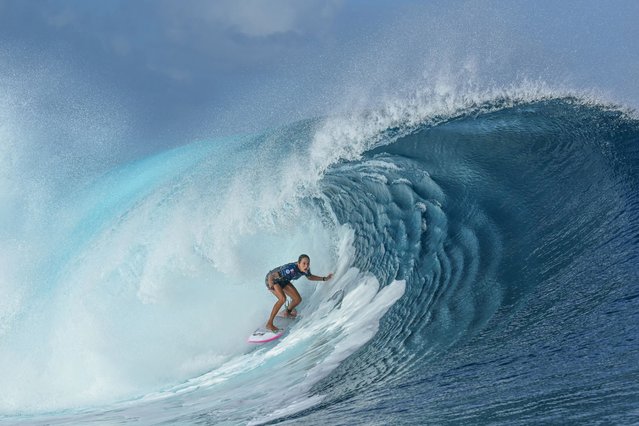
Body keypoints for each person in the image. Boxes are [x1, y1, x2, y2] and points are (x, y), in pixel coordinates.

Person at [264, 254, 333, 332]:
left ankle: (287, 312)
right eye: (304, 263)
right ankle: (269, 324)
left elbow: (310, 277)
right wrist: (270, 284)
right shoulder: (290, 269)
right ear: (298, 263)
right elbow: (271, 275)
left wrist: (324, 278)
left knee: (297, 299)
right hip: (273, 280)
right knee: (282, 299)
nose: (306, 265)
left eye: (308, 263)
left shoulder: (305, 269)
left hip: (283, 280)